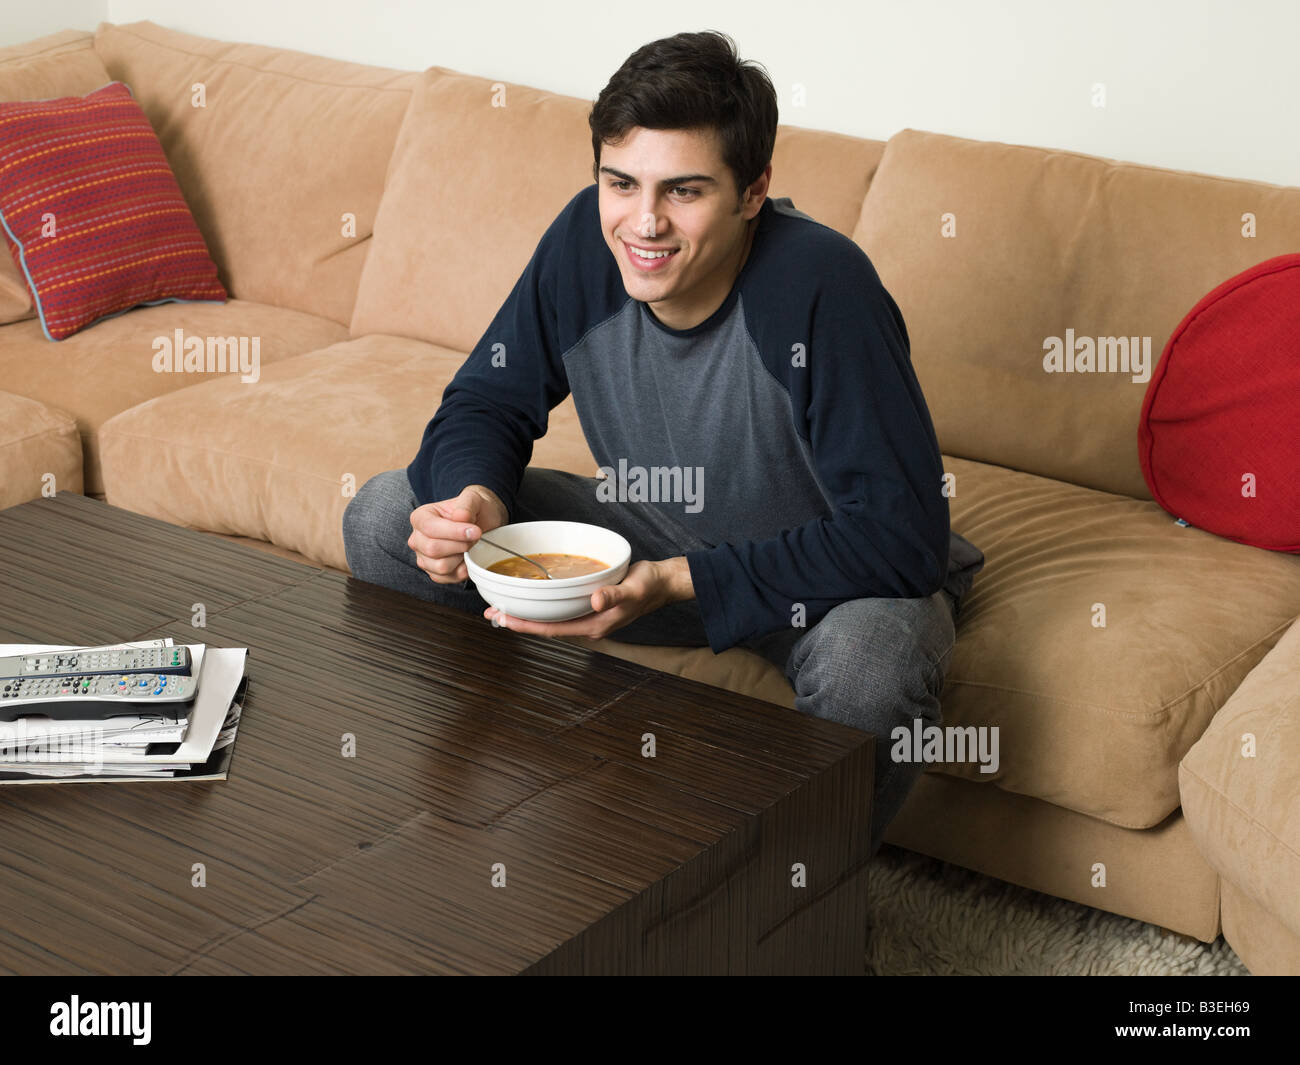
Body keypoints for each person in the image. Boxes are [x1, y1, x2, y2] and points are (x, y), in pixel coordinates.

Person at [343, 29, 985, 856]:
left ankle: (789, 910)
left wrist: (678, 581)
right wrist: (478, 499)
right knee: (387, 515)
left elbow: (900, 538)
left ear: (752, 192)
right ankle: (518, 786)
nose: (643, 223)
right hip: (659, 538)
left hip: (833, 583)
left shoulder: (823, 287)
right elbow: (485, 400)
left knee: (874, 667)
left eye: (683, 191)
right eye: (620, 183)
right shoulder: (586, 240)